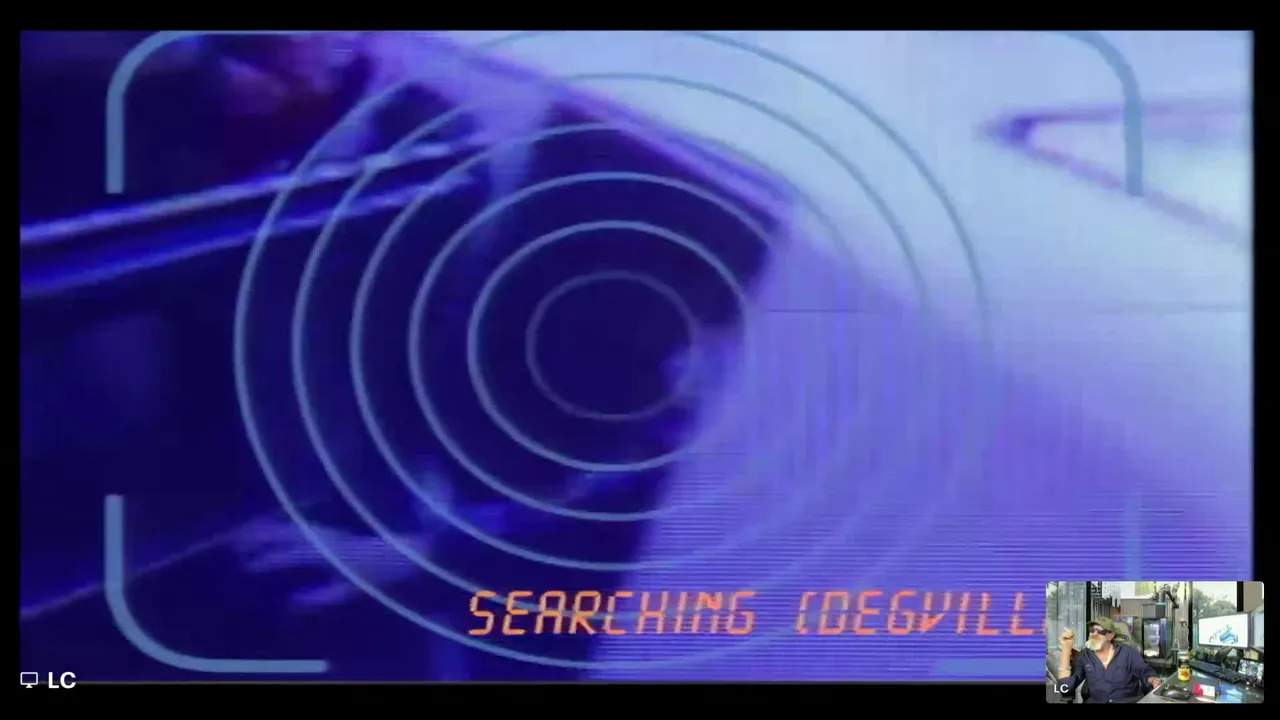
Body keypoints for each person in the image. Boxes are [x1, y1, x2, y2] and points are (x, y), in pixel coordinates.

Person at [1056, 618, 1162, 703]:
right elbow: (1065, 687)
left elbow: (1145, 672)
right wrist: (1066, 647)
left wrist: (1153, 680)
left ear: (1111, 636)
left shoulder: (1128, 653)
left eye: (1101, 631)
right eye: (1092, 630)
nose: (1094, 634)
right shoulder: (1084, 655)